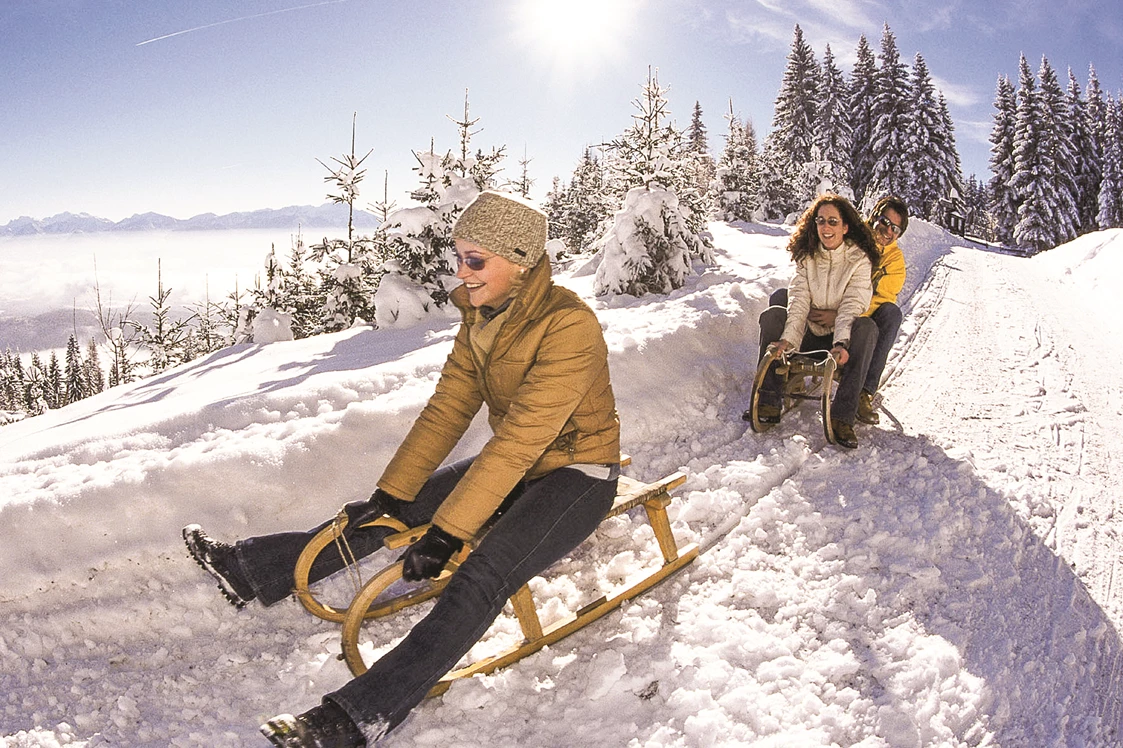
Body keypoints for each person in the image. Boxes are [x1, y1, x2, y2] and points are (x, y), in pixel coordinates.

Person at [182, 191, 621, 747]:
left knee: (479, 574)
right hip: (520, 464)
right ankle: (253, 570)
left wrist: (448, 535)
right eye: (458, 257)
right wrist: (392, 493)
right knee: (395, 511)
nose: (461, 272)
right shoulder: (481, 316)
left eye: (476, 260)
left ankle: (359, 716)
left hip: (578, 474)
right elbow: (447, 408)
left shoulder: (569, 326)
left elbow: (518, 440)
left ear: (521, 260)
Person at [750, 194, 880, 449]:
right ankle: (768, 398)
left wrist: (841, 343)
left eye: (833, 221)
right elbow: (798, 302)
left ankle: (843, 417)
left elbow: (851, 306)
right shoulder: (808, 256)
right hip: (810, 331)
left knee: (867, 327)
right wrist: (788, 341)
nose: (826, 228)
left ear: (845, 227)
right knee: (773, 314)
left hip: (838, 336)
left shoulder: (858, 259)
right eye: (821, 221)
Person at [856, 196, 908, 424]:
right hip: (830, 303)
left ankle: (864, 391)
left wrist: (851, 315)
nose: (887, 230)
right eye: (885, 222)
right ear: (875, 215)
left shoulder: (895, 261)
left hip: (861, 316)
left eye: (895, 229)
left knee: (891, 313)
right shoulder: (853, 236)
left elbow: (880, 298)